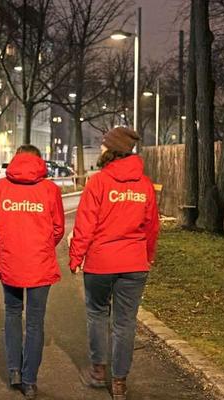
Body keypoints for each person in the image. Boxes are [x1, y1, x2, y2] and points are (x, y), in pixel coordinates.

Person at [69, 127, 160, 400]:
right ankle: (119, 382)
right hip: (134, 263)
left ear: (112, 150)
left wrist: (76, 256)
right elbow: (152, 227)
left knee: (97, 314)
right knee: (125, 322)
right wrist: (148, 256)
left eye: (103, 145)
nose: (100, 149)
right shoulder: (144, 185)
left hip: (101, 262)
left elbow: (85, 225)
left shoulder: (98, 183)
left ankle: (98, 372)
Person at [0, 144, 65, 399]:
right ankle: (30, 381)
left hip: (11, 262)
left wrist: (11, 243)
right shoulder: (50, 190)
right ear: (39, 161)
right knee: (34, 322)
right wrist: (41, 246)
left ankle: (14, 372)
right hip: (40, 264)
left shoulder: (2, 188)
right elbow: (58, 229)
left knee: (11, 313)